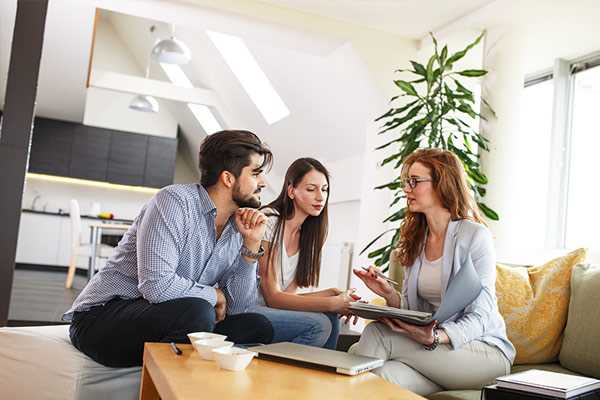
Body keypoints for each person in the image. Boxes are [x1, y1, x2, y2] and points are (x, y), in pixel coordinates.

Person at [64, 130, 276, 368]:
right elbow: (156, 286)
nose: (263, 183)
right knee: (198, 312)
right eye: (256, 173)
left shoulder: (239, 226)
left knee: (257, 326)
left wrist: (251, 246)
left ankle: (195, 379)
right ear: (228, 178)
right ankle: (171, 383)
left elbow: (237, 309)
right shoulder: (174, 201)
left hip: (164, 313)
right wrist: (214, 295)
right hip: (101, 317)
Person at [350, 148, 515, 396]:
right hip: (438, 357)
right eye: (406, 182)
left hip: (482, 353)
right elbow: (416, 314)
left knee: (376, 336)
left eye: (414, 181)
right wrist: (389, 295)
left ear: (441, 184)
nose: (406, 189)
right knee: (381, 375)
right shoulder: (416, 240)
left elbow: (481, 316)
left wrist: (436, 337)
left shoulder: (474, 236)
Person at [248, 158, 359, 350]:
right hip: (249, 308)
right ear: (291, 191)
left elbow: (288, 297)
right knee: (321, 324)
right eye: (311, 189)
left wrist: (334, 295)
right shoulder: (269, 222)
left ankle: (321, 369)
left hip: (272, 308)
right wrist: (331, 303)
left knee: (332, 317)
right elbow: (273, 297)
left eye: (324, 189)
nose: (320, 197)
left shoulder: (309, 236)